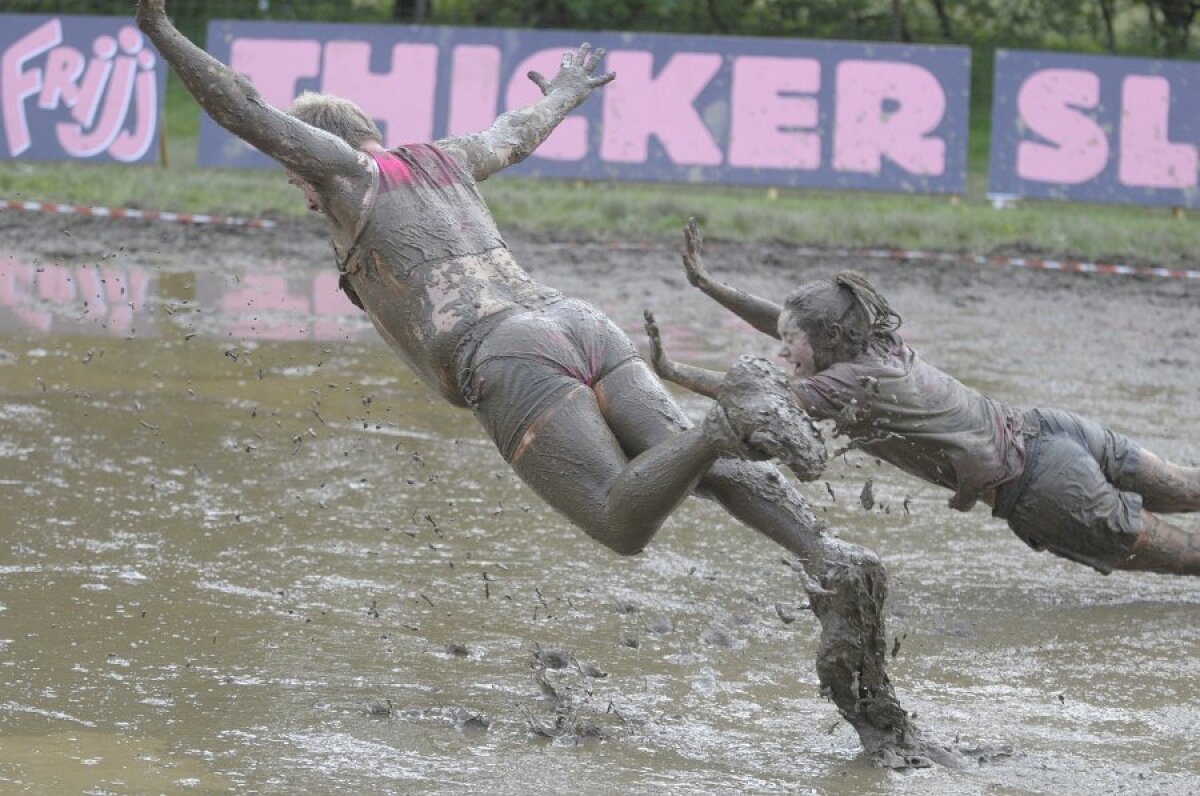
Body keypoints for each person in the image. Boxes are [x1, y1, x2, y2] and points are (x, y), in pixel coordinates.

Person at [136, 2, 942, 763]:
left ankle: (725, 420)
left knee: (621, 519)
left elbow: (242, 106)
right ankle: (826, 555)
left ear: (307, 156)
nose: (303, 194)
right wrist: (564, 91)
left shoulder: (346, 173)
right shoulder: (446, 159)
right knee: (702, 469)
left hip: (503, 353)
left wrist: (161, 28)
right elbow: (515, 132)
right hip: (577, 320)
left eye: (297, 179)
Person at [645, 219, 1200, 577]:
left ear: (829, 338)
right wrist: (709, 285)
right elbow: (782, 321)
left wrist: (672, 370)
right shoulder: (872, 336)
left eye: (792, 343)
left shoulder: (845, 385)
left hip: (1046, 490)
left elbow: (756, 397)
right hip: (1053, 429)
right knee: (1190, 486)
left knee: (1189, 558)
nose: (782, 351)